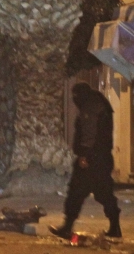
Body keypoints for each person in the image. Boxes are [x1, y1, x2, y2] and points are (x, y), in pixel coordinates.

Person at [51, 83, 123, 240]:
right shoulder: (99, 103)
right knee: (104, 193)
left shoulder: (91, 107)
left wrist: (84, 156)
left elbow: (89, 135)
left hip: (91, 159)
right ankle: (115, 227)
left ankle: (67, 227)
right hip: (102, 158)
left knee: (76, 192)